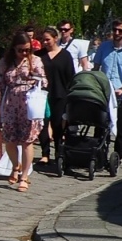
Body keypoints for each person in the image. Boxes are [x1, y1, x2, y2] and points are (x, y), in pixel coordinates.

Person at [0, 30, 48, 192]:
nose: (24, 53)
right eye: (20, 50)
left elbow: (44, 80)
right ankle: (16, 165)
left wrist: (35, 78)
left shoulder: (35, 60)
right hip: (11, 102)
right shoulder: (5, 62)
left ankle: (24, 176)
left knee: (27, 140)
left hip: (29, 103)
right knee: (9, 140)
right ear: (13, 49)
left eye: (27, 50)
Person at [91, 21, 122, 157]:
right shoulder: (104, 47)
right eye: (115, 30)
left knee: (121, 128)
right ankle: (99, 155)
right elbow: (95, 68)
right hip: (104, 93)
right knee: (100, 125)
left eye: (120, 30)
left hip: (121, 95)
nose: (117, 33)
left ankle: (117, 157)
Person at [38, 26, 76, 175]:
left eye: (48, 39)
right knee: (42, 124)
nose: (45, 42)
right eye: (43, 40)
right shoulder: (39, 55)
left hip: (60, 95)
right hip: (42, 95)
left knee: (57, 125)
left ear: (55, 38)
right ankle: (45, 154)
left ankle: (59, 153)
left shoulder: (65, 56)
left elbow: (70, 77)